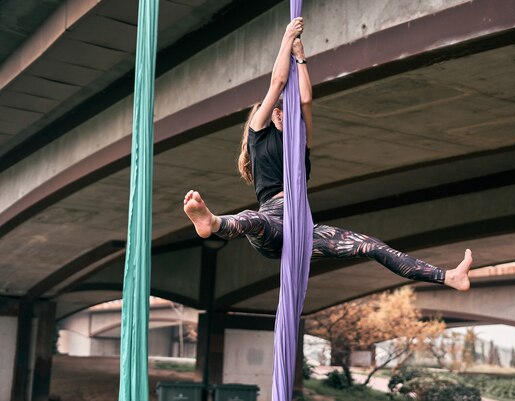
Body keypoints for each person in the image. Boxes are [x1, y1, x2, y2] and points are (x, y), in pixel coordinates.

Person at [183, 17, 472, 290]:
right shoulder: (258, 135)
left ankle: (447, 277)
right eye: (276, 110)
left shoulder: (300, 144)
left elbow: (306, 100)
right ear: (268, 115)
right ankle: (213, 222)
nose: (281, 114)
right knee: (252, 219)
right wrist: (286, 39)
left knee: (371, 246)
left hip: (304, 231)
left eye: (286, 110)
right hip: (271, 224)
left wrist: (301, 58)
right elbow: (277, 84)